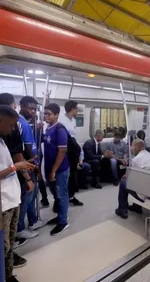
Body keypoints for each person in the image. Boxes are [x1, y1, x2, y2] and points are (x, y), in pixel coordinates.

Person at [0, 105, 36, 282]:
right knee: (2, 246)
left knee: (10, 244)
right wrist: (15, 166)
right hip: (3, 203)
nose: (13, 129)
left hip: (13, 200)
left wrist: (24, 165)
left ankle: (9, 275)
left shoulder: (2, 141)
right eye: (11, 125)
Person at [16, 96, 46, 239]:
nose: (33, 112)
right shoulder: (24, 124)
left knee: (32, 195)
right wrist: (36, 166)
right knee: (27, 196)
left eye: (35, 109)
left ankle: (33, 220)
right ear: (20, 105)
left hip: (25, 164)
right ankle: (20, 228)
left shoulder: (24, 123)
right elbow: (30, 149)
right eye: (30, 108)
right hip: (28, 165)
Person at [43, 103, 70, 236]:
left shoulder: (60, 129)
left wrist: (54, 170)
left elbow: (62, 151)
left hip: (60, 169)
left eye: (49, 114)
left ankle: (63, 222)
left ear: (56, 115)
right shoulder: (49, 128)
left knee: (62, 195)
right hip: (50, 168)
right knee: (55, 194)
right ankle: (60, 215)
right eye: (45, 113)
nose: (46, 116)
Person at [58, 100, 89, 206]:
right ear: (72, 109)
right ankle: (59, 201)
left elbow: (74, 138)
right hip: (65, 153)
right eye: (77, 109)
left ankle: (70, 196)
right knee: (64, 178)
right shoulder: (61, 120)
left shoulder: (73, 121)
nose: (77, 111)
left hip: (73, 153)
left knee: (72, 177)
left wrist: (80, 155)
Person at [115, 139, 150, 219]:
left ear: (137, 147)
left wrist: (125, 175)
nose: (131, 148)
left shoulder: (136, 159)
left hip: (145, 192)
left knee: (124, 183)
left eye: (132, 146)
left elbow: (132, 179)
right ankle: (136, 207)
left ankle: (122, 210)